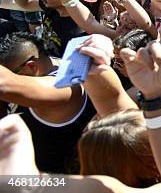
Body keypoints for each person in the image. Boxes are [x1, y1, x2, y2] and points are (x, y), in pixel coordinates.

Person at [0, 32, 95, 173]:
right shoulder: (52, 63)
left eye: (13, 74)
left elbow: (3, 84)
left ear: (31, 66)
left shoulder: (64, 87)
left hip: (53, 183)